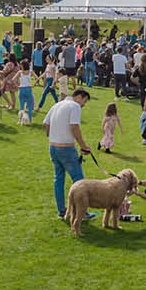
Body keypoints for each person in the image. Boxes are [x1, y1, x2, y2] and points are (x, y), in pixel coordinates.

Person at [44, 88, 93, 220]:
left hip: (53, 147)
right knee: (79, 181)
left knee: (58, 179)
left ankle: (62, 211)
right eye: (84, 101)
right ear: (79, 97)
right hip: (66, 149)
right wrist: (83, 146)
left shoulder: (56, 105)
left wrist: (52, 135)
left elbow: (45, 124)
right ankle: (82, 213)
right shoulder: (74, 106)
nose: (83, 105)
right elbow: (74, 127)